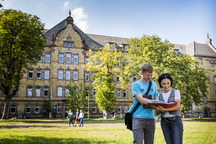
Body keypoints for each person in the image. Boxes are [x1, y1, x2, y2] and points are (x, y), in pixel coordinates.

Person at [129, 63, 158, 144]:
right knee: (138, 142)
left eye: (151, 75)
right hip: (138, 118)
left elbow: (156, 99)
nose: (149, 77)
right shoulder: (135, 84)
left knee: (150, 142)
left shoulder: (154, 84)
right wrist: (154, 102)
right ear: (141, 73)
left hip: (150, 118)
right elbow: (141, 100)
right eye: (147, 75)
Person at [154, 73, 183, 144]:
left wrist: (164, 110)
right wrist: (157, 108)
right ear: (160, 84)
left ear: (171, 83)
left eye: (168, 83)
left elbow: (177, 107)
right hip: (164, 122)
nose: (166, 86)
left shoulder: (176, 92)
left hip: (175, 121)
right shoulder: (159, 95)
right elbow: (157, 113)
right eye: (163, 84)